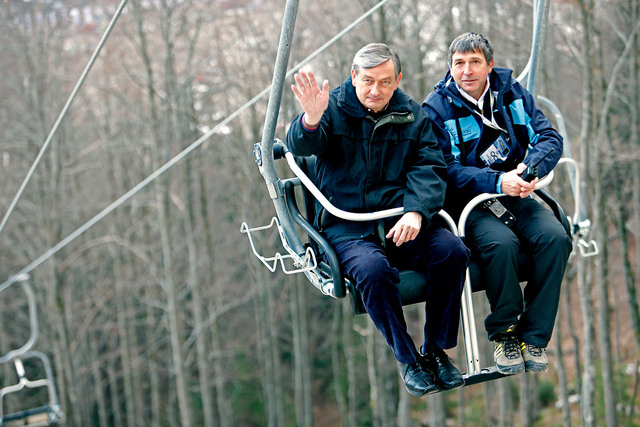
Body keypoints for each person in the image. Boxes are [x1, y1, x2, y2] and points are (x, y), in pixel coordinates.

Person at [286, 43, 470, 396]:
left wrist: (416, 210)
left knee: (452, 251)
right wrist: (310, 119)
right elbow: (303, 147)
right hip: (348, 226)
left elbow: (429, 166)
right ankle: (408, 358)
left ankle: (436, 350)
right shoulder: (332, 109)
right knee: (373, 271)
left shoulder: (412, 116)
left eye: (385, 82)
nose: (375, 90)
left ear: (397, 80)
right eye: (368, 80)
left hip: (399, 220)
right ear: (353, 76)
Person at [422, 32, 572, 375]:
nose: (467, 71)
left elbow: (548, 137)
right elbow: (445, 169)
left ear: (489, 65)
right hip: (470, 204)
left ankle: (533, 335)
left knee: (556, 237)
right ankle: (505, 332)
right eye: (459, 63)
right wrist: (495, 180)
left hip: (516, 192)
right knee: (501, 244)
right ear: (450, 68)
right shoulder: (437, 109)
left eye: (475, 62)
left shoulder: (511, 93)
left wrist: (530, 168)